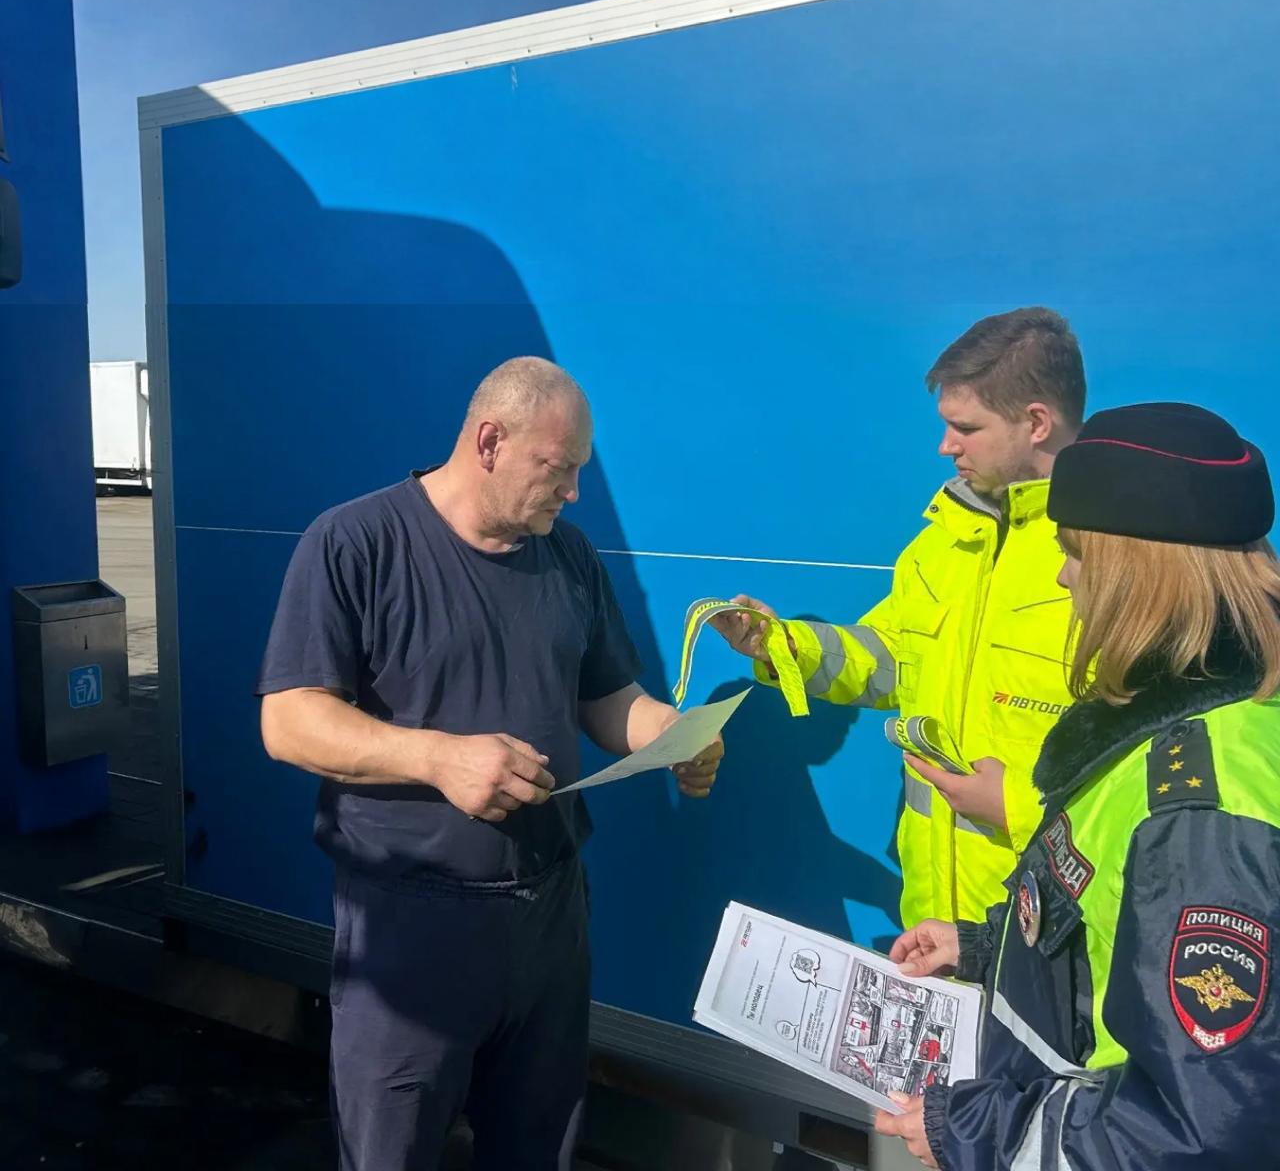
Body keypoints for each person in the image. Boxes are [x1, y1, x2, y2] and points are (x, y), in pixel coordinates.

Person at [256, 356, 724, 1171]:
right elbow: (289, 721)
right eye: (559, 468)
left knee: (536, 1147)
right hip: (409, 922)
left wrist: (669, 732)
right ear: (488, 441)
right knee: (392, 1150)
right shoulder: (356, 541)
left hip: (549, 918)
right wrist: (438, 758)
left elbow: (606, 696)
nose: (573, 492)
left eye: (580, 470)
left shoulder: (567, 556)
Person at [876, 402, 1280, 1170]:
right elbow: (1117, 932)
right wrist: (988, 946)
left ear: (1139, 570)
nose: (1063, 576)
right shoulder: (1175, 716)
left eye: (1073, 552)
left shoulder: (1201, 811)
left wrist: (975, 1134)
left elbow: (1202, 1134)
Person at [711, 307, 1085, 927]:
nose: (946, 446)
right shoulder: (941, 543)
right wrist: (779, 645)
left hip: (1055, 923)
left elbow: (1152, 756)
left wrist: (1019, 808)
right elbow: (887, 657)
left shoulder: (1110, 552)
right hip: (934, 918)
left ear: (1037, 422)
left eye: (965, 427)